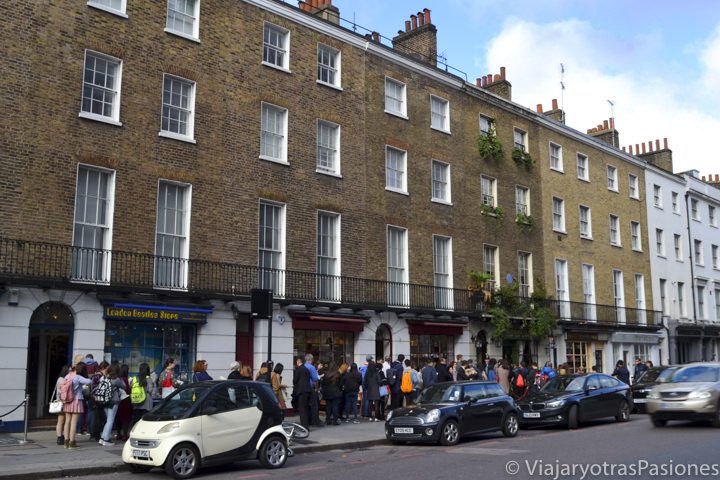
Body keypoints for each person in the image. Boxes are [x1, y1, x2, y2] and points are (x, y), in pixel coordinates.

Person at [63, 362, 93, 449]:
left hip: (67, 400)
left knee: (67, 421)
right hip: (76, 400)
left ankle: (66, 441)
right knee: (74, 422)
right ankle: (72, 442)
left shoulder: (68, 376)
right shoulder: (78, 377)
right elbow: (89, 381)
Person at [100, 363, 126, 446]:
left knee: (108, 420)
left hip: (104, 401)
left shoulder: (103, 378)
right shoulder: (116, 379)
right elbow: (124, 387)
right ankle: (106, 440)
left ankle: (103, 438)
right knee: (110, 420)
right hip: (113, 401)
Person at [131, 363, 154, 429]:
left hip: (136, 401)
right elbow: (150, 390)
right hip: (146, 403)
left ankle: (134, 431)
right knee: (145, 421)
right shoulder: (148, 379)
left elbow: (131, 387)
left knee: (136, 420)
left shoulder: (135, 378)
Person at [292, 357, 311, 429]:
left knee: (302, 409)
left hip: (301, 391)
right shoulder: (306, 369)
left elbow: (295, 380)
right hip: (308, 390)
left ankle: (304, 426)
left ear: (298, 362)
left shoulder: (298, 369)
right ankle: (307, 425)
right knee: (306, 408)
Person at [54, 365, 70, 445]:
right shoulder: (66, 379)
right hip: (66, 402)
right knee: (67, 421)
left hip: (59, 401)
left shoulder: (59, 379)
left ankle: (59, 437)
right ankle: (65, 436)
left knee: (60, 421)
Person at [116, 364, 132, 442]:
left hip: (118, 400)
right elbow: (128, 390)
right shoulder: (125, 379)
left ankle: (119, 434)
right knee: (126, 418)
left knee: (119, 418)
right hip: (126, 399)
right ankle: (125, 435)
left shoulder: (117, 379)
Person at [362, 356, 381, 421]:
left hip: (369, 389)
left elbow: (364, 382)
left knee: (370, 404)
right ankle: (376, 417)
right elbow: (379, 381)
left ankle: (370, 417)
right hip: (376, 389)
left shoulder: (367, 373)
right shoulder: (376, 372)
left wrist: (367, 387)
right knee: (376, 404)